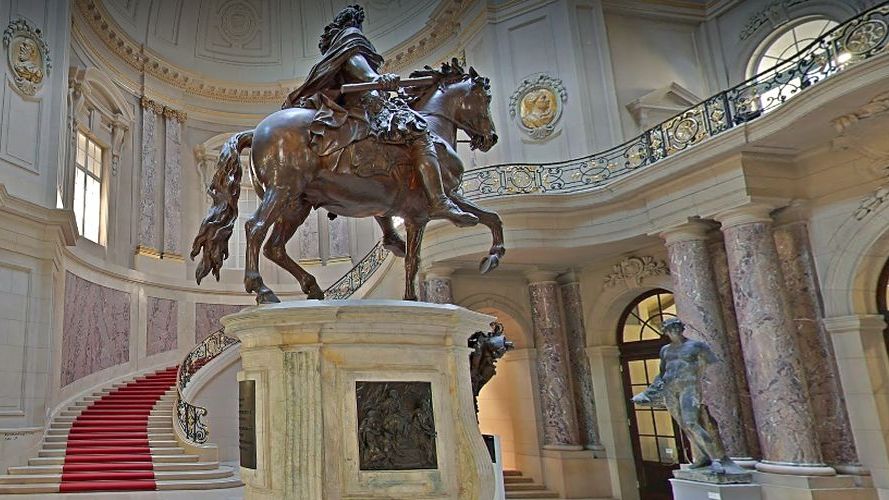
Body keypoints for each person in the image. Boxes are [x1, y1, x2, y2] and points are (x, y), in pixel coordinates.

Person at [282, 4, 478, 227]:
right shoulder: (351, 46)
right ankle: (439, 200)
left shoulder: (335, 55)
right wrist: (382, 81)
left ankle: (389, 232)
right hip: (367, 110)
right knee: (418, 132)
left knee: (383, 170)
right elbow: (365, 75)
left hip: (364, 109)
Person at [632, 318, 745, 475]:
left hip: (689, 388)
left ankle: (717, 458)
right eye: (671, 329)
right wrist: (647, 393)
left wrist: (708, 388)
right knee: (685, 426)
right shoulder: (665, 350)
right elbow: (663, 374)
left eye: (677, 328)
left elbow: (715, 367)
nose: (675, 331)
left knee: (692, 422)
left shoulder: (696, 346)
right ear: (666, 332)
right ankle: (701, 457)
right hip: (671, 390)